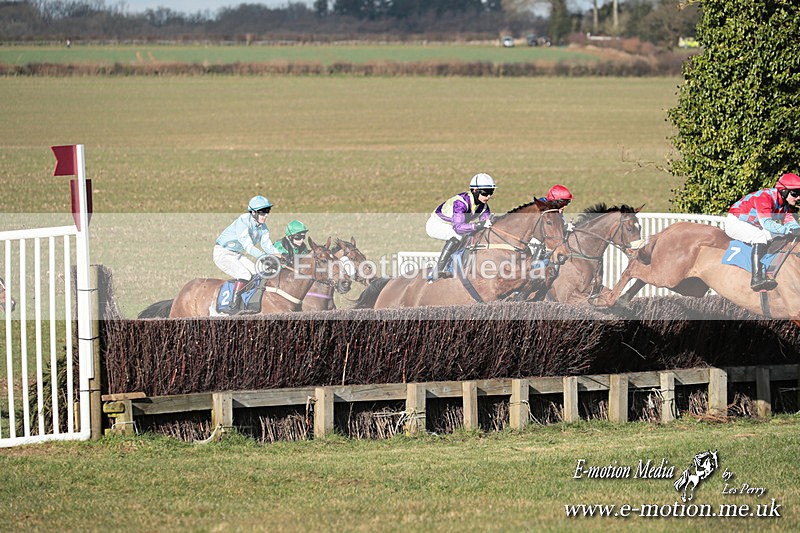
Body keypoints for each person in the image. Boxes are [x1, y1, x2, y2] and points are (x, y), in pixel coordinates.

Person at [725, 172, 800, 291]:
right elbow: (767, 223)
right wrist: (789, 230)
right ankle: (756, 278)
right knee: (759, 237)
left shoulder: (784, 204)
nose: (798, 197)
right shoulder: (765, 197)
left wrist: (796, 229)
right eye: (795, 193)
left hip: (753, 225)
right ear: (784, 191)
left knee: (781, 235)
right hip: (735, 222)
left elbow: (790, 221)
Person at [213, 195, 280, 313]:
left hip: (236, 254)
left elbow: (267, 245)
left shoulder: (263, 227)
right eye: (263, 212)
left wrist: (278, 255)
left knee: (257, 273)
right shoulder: (243, 222)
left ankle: (248, 303)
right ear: (253, 213)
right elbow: (248, 247)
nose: (266, 215)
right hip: (222, 253)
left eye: (267, 211)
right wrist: (263, 257)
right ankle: (233, 306)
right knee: (244, 274)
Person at [426, 173, 496, 278]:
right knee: (458, 236)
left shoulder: (484, 206)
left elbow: (486, 224)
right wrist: (479, 225)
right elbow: (458, 228)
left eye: (491, 192)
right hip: (436, 224)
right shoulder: (461, 203)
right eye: (485, 193)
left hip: (454, 226)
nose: (489, 196)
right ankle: (438, 271)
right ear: (475, 191)